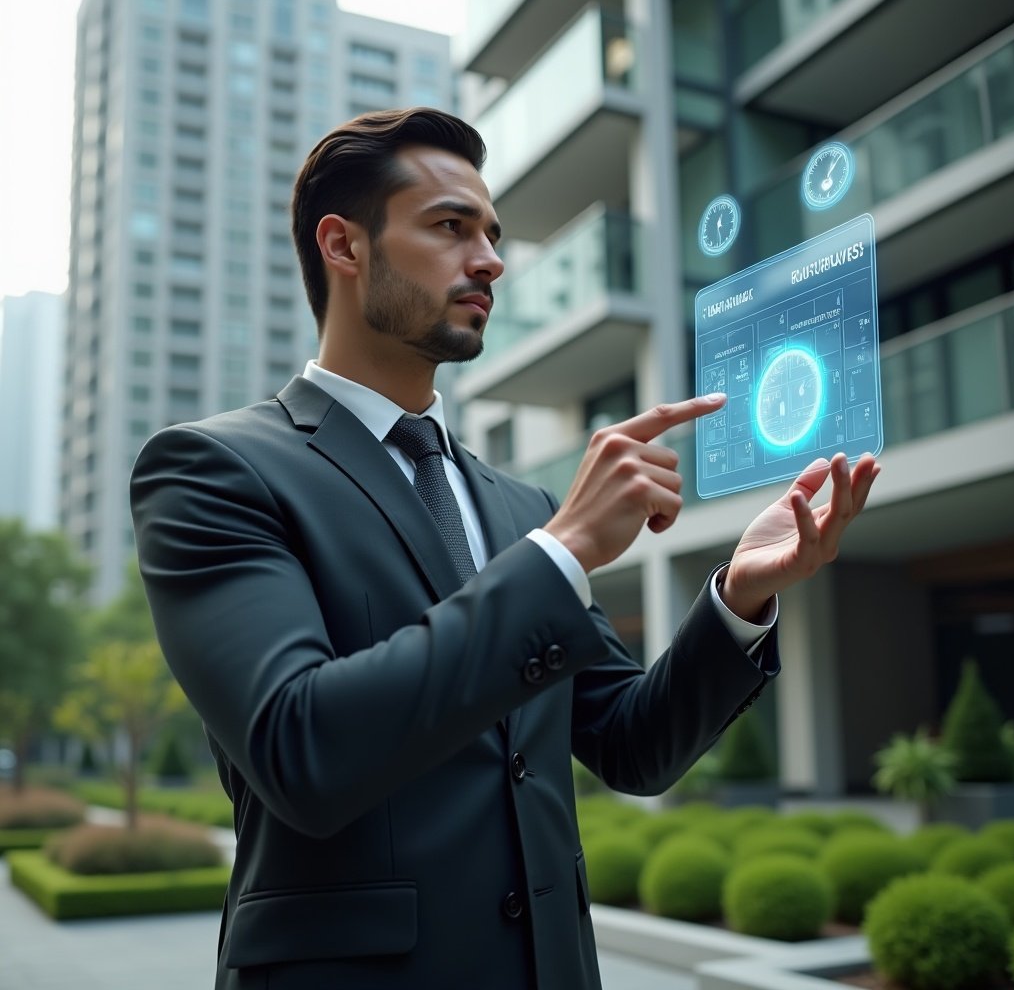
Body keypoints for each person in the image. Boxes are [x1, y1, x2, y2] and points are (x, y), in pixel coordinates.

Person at [130, 107, 879, 990]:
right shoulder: (214, 469)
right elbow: (300, 749)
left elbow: (632, 745)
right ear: (343, 245)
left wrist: (738, 600)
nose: (488, 259)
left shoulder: (519, 505)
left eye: (492, 234)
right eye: (450, 226)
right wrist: (564, 550)